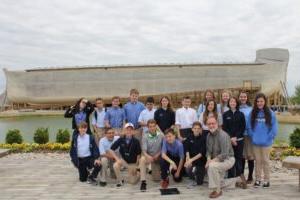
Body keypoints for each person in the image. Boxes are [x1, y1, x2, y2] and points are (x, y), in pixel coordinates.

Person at [247, 93, 278, 188]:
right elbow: (249, 127)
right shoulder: (252, 113)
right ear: (255, 102)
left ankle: (267, 180)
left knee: (265, 161)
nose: (259, 103)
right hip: (256, 142)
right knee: (258, 161)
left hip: (266, 143)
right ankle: (258, 180)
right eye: (258, 101)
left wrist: (269, 137)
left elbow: (274, 128)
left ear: (265, 102)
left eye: (261, 101)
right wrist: (253, 136)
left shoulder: (270, 113)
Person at [205, 116, 236, 198]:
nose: (211, 125)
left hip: (228, 159)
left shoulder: (223, 135)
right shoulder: (208, 136)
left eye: (213, 123)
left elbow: (224, 154)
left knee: (211, 167)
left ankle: (217, 190)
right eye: (209, 124)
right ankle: (236, 180)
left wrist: (211, 162)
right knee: (219, 181)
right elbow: (208, 151)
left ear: (217, 124)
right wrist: (208, 159)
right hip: (217, 160)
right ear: (207, 125)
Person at [222, 97, 247, 189]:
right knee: (230, 158)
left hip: (239, 140)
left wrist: (236, 137)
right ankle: (231, 177)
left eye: (234, 101)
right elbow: (225, 128)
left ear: (237, 103)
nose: (233, 103)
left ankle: (240, 176)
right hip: (229, 141)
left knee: (239, 158)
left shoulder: (241, 114)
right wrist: (231, 138)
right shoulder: (225, 114)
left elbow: (242, 127)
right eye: (231, 101)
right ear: (229, 103)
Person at [109, 123, 142, 187]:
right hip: (124, 161)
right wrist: (117, 159)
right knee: (115, 165)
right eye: (127, 129)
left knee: (132, 182)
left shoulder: (136, 141)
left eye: (131, 129)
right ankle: (120, 180)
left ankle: (138, 174)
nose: (129, 131)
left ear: (133, 131)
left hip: (133, 163)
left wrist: (136, 166)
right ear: (124, 130)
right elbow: (111, 149)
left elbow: (138, 154)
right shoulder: (121, 139)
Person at [139, 119, 164, 191]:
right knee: (142, 159)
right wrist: (147, 156)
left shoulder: (161, 135)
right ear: (148, 127)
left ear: (156, 126)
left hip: (158, 157)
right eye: (150, 126)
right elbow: (144, 150)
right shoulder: (145, 136)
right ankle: (143, 181)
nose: (152, 128)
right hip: (149, 157)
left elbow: (164, 148)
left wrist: (158, 154)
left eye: (153, 126)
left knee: (156, 179)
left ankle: (158, 171)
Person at [184, 122, 207, 188]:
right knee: (187, 167)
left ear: (201, 129)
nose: (196, 130)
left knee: (199, 183)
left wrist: (190, 160)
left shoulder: (204, 139)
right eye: (195, 128)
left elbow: (201, 153)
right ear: (192, 129)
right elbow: (187, 148)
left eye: (198, 128)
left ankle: (201, 172)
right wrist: (188, 159)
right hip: (192, 161)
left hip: (201, 162)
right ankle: (191, 178)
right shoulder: (189, 137)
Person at [239, 91, 255, 184]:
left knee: (250, 156)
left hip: (249, 135)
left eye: (244, 97)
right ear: (239, 98)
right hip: (240, 135)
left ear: (247, 98)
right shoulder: (237, 108)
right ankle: (241, 175)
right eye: (241, 97)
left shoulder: (251, 109)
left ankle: (250, 176)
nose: (243, 98)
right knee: (241, 156)